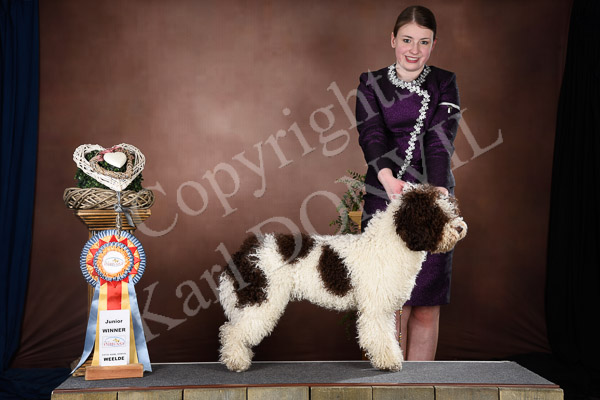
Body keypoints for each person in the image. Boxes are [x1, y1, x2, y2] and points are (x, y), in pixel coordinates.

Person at [355, 5, 461, 361]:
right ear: (392, 40)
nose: (414, 50)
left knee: (426, 303)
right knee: (390, 303)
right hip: (384, 196)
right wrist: (386, 178)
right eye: (407, 40)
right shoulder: (370, 83)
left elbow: (440, 140)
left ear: (433, 45)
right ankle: (389, 383)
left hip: (432, 195)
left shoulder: (444, 81)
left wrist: (437, 192)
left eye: (423, 42)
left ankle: (421, 384)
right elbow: (371, 133)